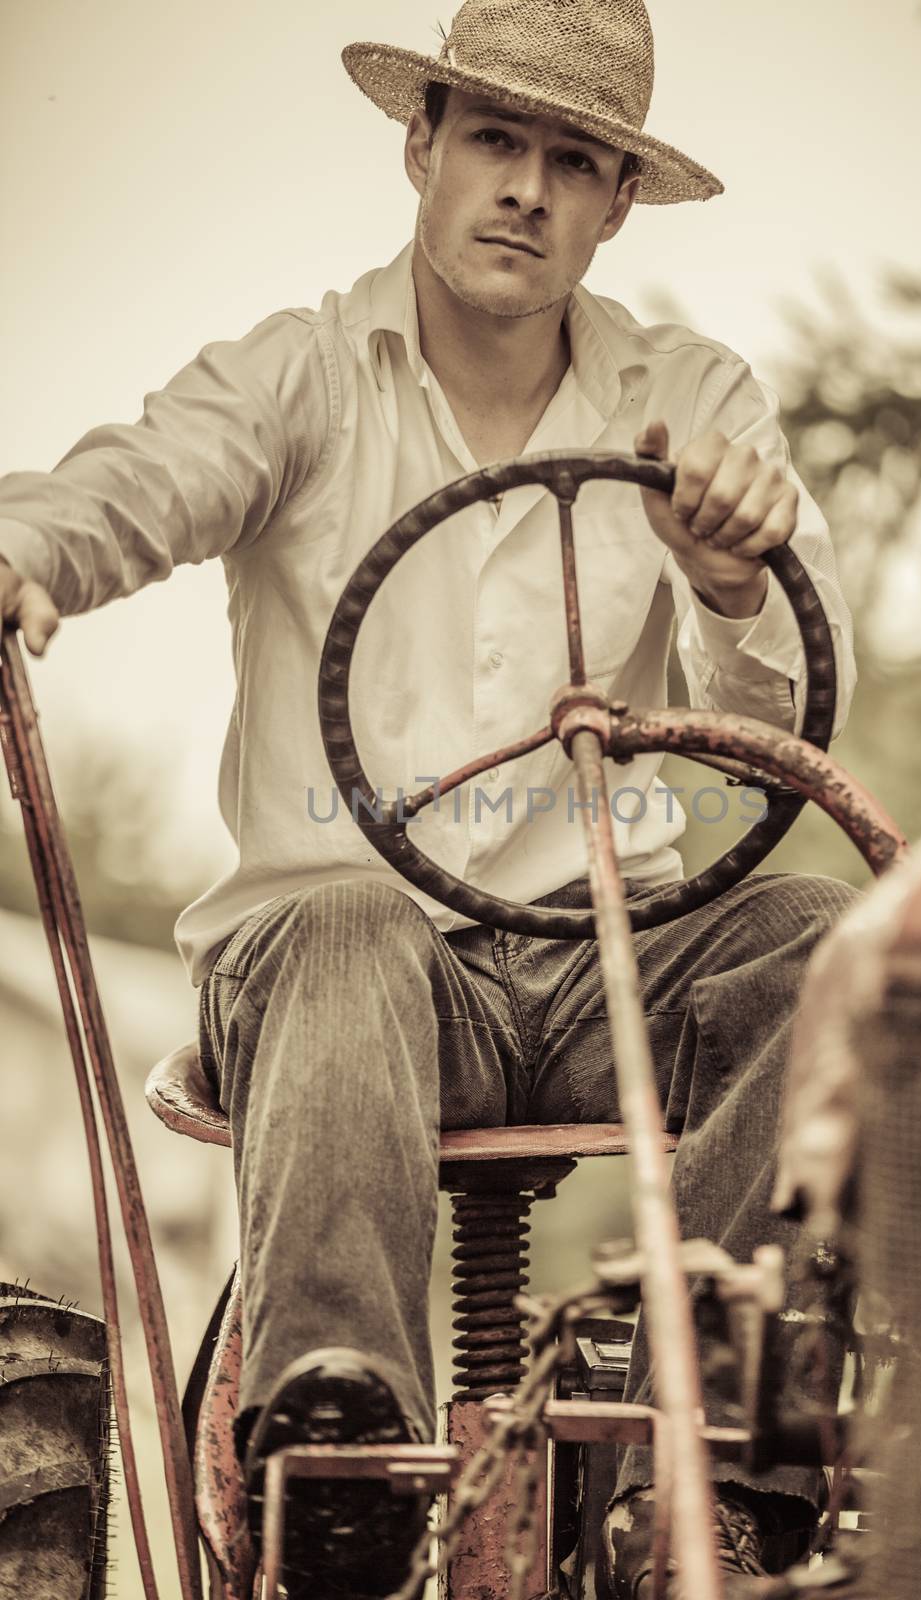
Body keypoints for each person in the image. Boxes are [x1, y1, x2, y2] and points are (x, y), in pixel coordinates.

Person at [0, 2, 858, 1594]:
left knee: (829, 942)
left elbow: (786, 730)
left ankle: (713, 1469)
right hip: (349, 977)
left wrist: (733, 579)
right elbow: (137, 480)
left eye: (573, 160)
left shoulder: (692, 402)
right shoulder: (300, 379)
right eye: (495, 141)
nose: (526, 189)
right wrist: (26, 550)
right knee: (343, 922)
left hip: (610, 952)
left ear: (616, 204)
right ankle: (338, 1464)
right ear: (425, 146)